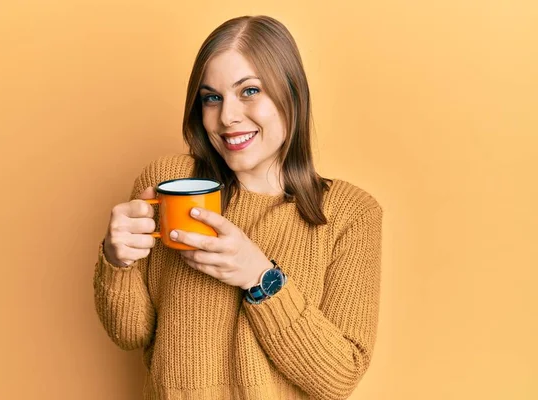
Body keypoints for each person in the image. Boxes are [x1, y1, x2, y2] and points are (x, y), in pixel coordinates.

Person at [94, 15, 382, 400]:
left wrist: (260, 277)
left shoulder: (350, 213)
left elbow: (338, 378)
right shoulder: (171, 183)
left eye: (249, 91)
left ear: (292, 93)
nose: (227, 117)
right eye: (212, 97)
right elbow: (131, 335)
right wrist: (118, 261)